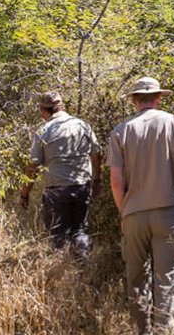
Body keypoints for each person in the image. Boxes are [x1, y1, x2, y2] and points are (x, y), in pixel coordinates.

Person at [108, 76, 174, 335]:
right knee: (167, 281)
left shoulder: (120, 131)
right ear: (159, 97)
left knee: (137, 282)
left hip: (133, 216)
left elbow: (116, 181)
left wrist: (125, 211)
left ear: (134, 100)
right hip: (169, 216)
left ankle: (143, 332)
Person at [20, 91, 103, 257]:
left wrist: (25, 193)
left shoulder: (43, 131)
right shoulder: (83, 126)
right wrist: (97, 180)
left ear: (44, 110)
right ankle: (81, 269)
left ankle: (60, 271)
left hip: (55, 191)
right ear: (61, 106)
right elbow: (97, 154)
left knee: (58, 235)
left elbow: (33, 166)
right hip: (81, 188)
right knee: (79, 231)